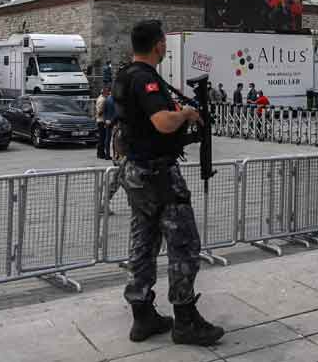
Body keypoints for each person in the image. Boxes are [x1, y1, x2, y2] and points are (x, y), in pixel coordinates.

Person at [112, 20, 224, 346]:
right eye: (163, 42)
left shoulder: (124, 75)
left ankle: (142, 315)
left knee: (143, 243)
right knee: (184, 244)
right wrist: (186, 114)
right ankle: (185, 319)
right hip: (157, 174)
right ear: (159, 45)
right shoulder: (145, 79)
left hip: (136, 171)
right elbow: (162, 122)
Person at [96, 86, 112, 159]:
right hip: (102, 121)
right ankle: (101, 153)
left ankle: (100, 153)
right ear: (104, 93)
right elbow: (100, 111)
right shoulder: (103, 100)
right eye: (107, 93)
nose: (108, 94)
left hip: (100, 120)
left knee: (101, 137)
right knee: (102, 138)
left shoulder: (100, 98)